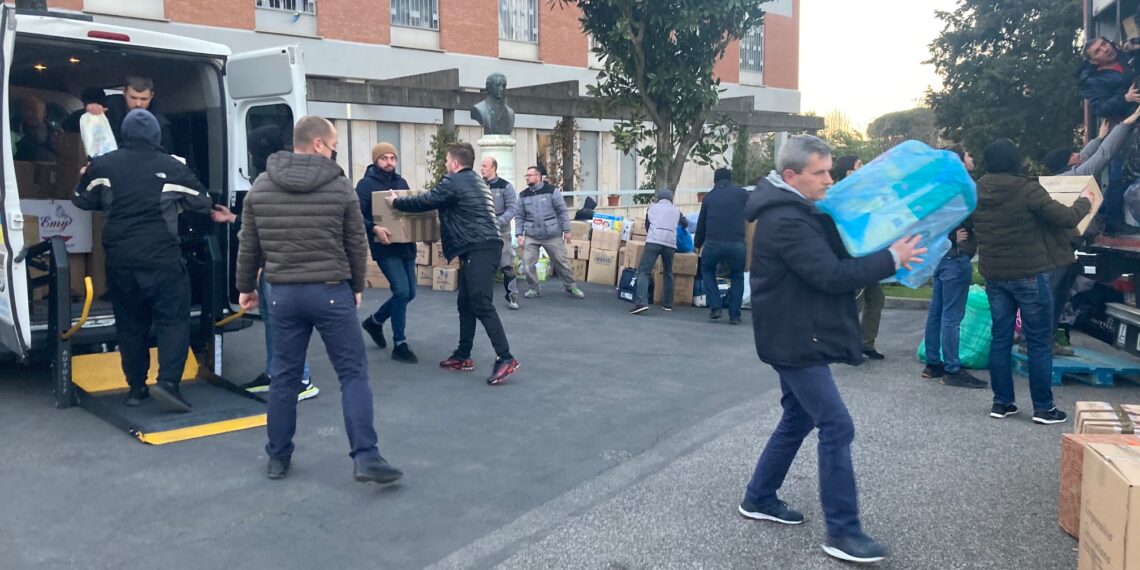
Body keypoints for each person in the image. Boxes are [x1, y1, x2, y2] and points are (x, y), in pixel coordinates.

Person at [739, 135, 924, 564]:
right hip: (793, 340)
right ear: (791, 176)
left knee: (798, 417)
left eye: (828, 170)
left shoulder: (798, 211)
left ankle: (759, 496)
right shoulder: (786, 220)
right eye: (820, 172)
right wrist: (891, 259)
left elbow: (834, 253)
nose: (829, 179)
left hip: (793, 334)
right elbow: (830, 275)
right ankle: (843, 532)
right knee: (837, 426)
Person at [235, 115, 402, 483]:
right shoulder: (338, 187)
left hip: (282, 294)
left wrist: (245, 287)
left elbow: (249, 244)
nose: (335, 151)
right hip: (330, 290)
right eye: (334, 145)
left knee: (284, 377)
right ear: (317, 145)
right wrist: (357, 284)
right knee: (353, 374)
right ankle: (366, 457)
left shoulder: (261, 186)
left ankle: (278, 457)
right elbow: (355, 242)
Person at [73, 109, 217, 412]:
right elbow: (202, 201)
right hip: (162, 259)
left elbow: (81, 199)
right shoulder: (171, 167)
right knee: (172, 320)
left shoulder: (104, 165)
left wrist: (90, 178)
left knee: (130, 325)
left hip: (120, 261)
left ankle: (136, 388)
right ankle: (168, 383)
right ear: (156, 135)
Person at [973, 138, 1093, 426]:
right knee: (1038, 340)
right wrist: (1084, 203)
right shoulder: (1026, 188)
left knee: (1001, 339)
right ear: (1014, 160)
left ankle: (1001, 403)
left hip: (994, 275)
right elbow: (1064, 218)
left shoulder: (977, 191)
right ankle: (1043, 408)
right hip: (1028, 274)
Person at [385, 142, 521, 386]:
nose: (446, 164)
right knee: (466, 303)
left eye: (447, 161)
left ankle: (506, 357)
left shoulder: (455, 181)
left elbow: (426, 201)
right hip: (482, 246)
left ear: (455, 163)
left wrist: (397, 203)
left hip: (479, 248)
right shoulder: (477, 181)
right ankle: (463, 355)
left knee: (480, 302)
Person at [214, 125, 319, 400]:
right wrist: (234, 218)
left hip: (281, 265)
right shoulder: (282, 174)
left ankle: (302, 379)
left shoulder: (272, 178)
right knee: (274, 324)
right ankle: (276, 373)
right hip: (279, 264)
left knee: (286, 325)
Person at [1044, 105, 1140, 355]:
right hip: (1059, 251)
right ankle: (1040, 341)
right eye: (1074, 154)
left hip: (1061, 249)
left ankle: (1044, 339)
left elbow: (1088, 156)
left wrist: (1099, 136)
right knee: (1051, 295)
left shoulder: (1062, 178)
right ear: (1069, 162)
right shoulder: (1073, 179)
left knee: (1058, 292)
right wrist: (1129, 121)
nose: (1079, 154)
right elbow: (1103, 156)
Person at [920, 146, 985, 389]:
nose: (971, 158)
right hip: (954, 258)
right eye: (967, 155)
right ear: (958, 161)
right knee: (951, 316)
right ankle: (952, 368)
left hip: (942, 258)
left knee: (937, 313)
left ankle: (933, 363)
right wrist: (950, 237)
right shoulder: (961, 186)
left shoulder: (939, 186)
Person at [357, 142, 419, 364]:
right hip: (384, 246)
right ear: (376, 161)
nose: (389, 162)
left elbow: (410, 209)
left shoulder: (401, 182)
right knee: (401, 291)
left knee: (410, 293)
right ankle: (400, 344)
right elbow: (355, 213)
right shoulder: (365, 185)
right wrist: (374, 227)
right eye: (385, 158)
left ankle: (375, 321)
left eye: (393, 158)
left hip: (405, 245)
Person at [1077, 37, 1139, 233]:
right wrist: (1125, 98)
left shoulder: (1124, 56)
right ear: (1095, 61)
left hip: (1135, 119)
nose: (1104, 49)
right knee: (1119, 174)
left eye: (1104, 44)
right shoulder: (1093, 81)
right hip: (1123, 126)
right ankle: (1113, 221)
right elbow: (1101, 108)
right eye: (1097, 51)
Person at [830, 155, 887, 360]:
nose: (865, 167)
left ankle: (865, 343)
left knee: (876, 298)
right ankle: (845, 345)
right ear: (849, 173)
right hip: (853, 256)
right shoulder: (843, 195)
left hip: (867, 254)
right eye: (860, 165)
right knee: (855, 302)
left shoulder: (862, 193)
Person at [515, 165, 586, 300]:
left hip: (552, 234)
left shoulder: (551, 191)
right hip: (532, 235)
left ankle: (571, 287)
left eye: (529, 175)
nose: (527, 178)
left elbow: (562, 211)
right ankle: (534, 288)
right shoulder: (523, 195)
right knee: (527, 263)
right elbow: (519, 216)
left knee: (561, 262)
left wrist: (567, 230)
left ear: (538, 176)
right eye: (526, 176)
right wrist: (519, 234)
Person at [695, 167, 749, 323]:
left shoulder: (709, 198)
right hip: (737, 243)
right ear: (730, 179)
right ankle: (735, 315)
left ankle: (716, 306)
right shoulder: (742, 194)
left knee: (707, 270)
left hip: (713, 242)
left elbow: (701, 224)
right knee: (737, 276)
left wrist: (697, 244)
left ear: (715, 181)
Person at [630, 189, 686, 315]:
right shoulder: (676, 211)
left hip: (654, 241)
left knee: (644, 271)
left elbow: (647, 225)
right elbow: (685, 223)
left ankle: (641, 302)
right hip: (670, 243)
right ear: (671, 199)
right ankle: (667, 304)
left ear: (658, 198)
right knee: (668, 272)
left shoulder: (652, 208)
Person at [480, 156, 521, 310]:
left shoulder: (506, 187)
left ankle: (512, 297)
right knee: (483, 266)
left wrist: (498, 222)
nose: (482, 168)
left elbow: (512, 209)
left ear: (494, 168)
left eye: (485, 165)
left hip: (501, 232)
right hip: (483, 232)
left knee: (506, 265)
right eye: (481, 166)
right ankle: (481, 299)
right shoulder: (478, 185)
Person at [110, 76, 174, 152]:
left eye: (144, 99)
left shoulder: (161, 124)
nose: (138, 104)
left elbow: (166, 154)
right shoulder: (110, 110)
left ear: (151, 96)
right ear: (124, 93)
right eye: (133, 98)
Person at [13, 95, 57, 161]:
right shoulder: (12, 127)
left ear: (44, 112)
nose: (28, 114)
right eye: (25, 110)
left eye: (33, 110)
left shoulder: (55, 132)